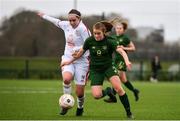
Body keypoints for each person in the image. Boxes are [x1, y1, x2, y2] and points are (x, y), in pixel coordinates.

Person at [63, 21, 134, 119]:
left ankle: (129, 113)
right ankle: (108, 91)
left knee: (118, 88)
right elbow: (80, 53)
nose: (96, 35)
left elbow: (121, 51)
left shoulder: (110, 41)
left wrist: (127, 61)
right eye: (95, 33)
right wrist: (69, 62)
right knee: (96, 95)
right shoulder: (89, 41)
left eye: (98, 33)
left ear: (103, 32)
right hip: (95, 70)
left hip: (108, 67)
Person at [37, 9, 91, 116]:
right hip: (67, 58)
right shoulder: (66, 25)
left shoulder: (83, 30)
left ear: (79, 19)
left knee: (79, 93)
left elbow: (88, 46)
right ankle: (65, 104)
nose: (71, 22)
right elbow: (56, 21)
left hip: (82, 61)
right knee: (66, 79)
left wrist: (79, 51)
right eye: (69, 20)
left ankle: (80, 107)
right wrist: (44, 16)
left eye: (73, 20)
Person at [104, 18, 140, 103]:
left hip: (122, 60)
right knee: (123, 80)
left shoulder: (125, 38)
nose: (118, 29)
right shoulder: (113, 38)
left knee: (116, 75)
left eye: (120, 28)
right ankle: (135, 91)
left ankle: (113, 95)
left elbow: (133, 48)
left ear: (123, 30)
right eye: (117, 28)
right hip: (115, 60)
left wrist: (124, 47)